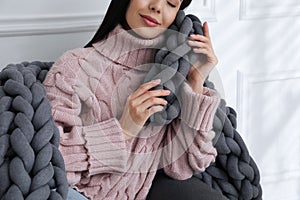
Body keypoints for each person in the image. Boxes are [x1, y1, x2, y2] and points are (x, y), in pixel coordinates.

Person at [43, 0, 225, 199]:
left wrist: (196, 82)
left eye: (171, 3)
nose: (157, 6)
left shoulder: (169, 77)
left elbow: (182, 168)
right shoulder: (73, 67)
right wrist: (124, 129)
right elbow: (48, 161)